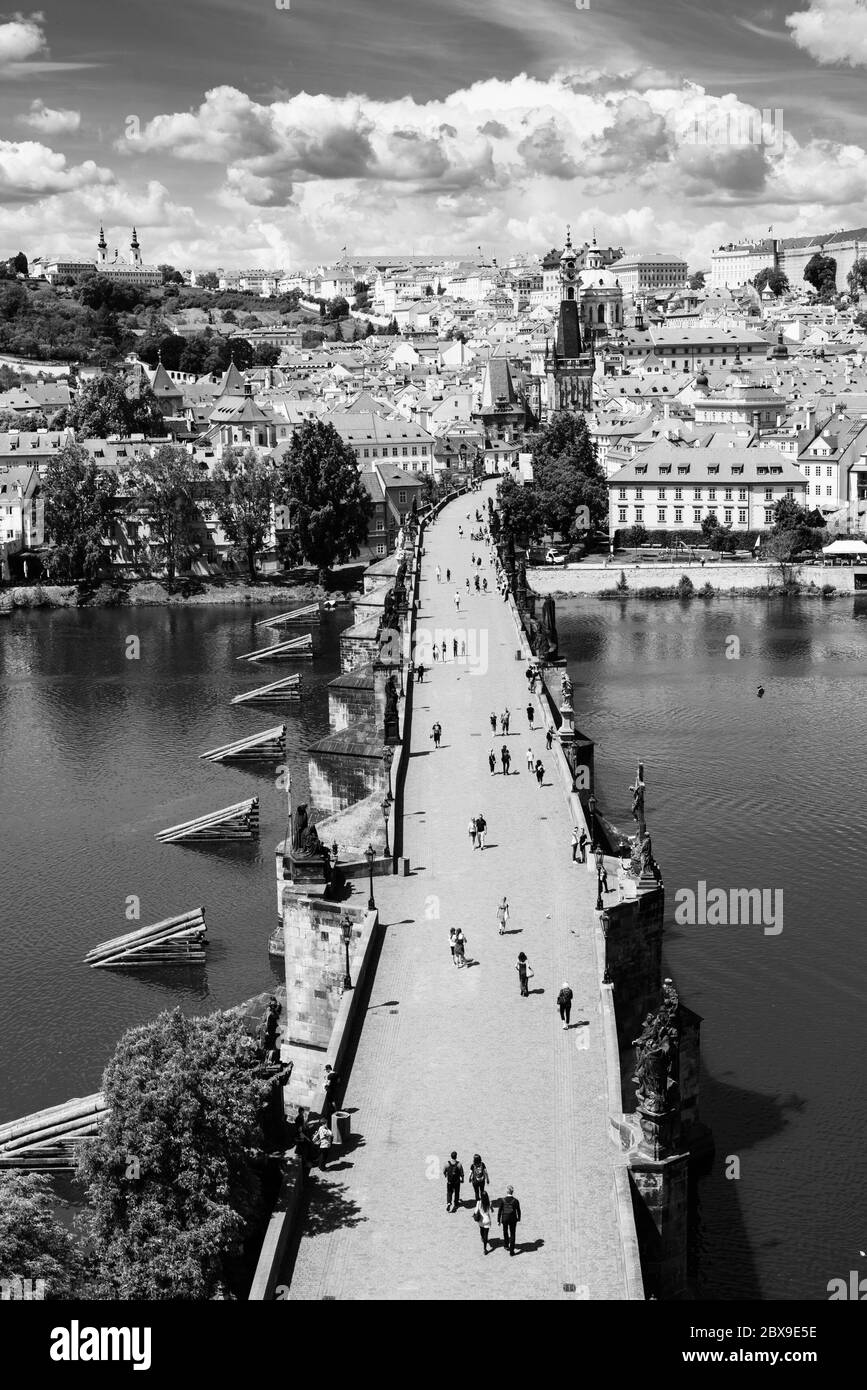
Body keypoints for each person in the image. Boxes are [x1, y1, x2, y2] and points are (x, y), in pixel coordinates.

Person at [498, 1186, 522, 1255]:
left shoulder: (502, 1200)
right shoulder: (516, 1201)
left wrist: (498, 1220)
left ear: (507, 1192)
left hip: (504, 1218)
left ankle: (506, 1245)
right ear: (512, 1192)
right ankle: (512, 1251)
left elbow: (500, 1211)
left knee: (505, 1231)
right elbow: (518, 1210)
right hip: (513, 1219)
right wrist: (519, 1218)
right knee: (512, 1234)